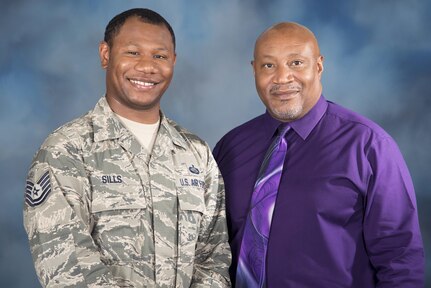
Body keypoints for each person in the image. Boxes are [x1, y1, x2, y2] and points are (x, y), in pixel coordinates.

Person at [24, 8, 231, 287]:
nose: (148, 66)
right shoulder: (66, 151)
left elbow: (214, 258)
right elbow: (66, 266)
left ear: (174, 61)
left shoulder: (196, 153)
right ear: (105, 55)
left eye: (160, 56)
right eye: (133, 53)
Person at [213, 22, 424, 287]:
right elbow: (210, 248)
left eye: (296, 63)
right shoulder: (230, 148)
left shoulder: (369, 146)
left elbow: (399, 259)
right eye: (269, 66)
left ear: (319, 66)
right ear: (253, 69)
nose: (282, 78)